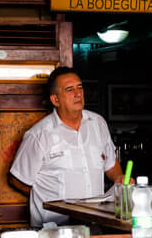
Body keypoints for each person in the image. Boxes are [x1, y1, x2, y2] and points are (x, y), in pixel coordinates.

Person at [9, 66, 123, 227]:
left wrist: (120, 180)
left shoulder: (97, 123)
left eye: (80, 87)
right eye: (69, 89)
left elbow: (111, 166)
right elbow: (17, 179)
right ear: (55, 100)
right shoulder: (40, 134)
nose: (78, 93)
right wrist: (44, 196)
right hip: (54, 227)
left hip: (95, 223)